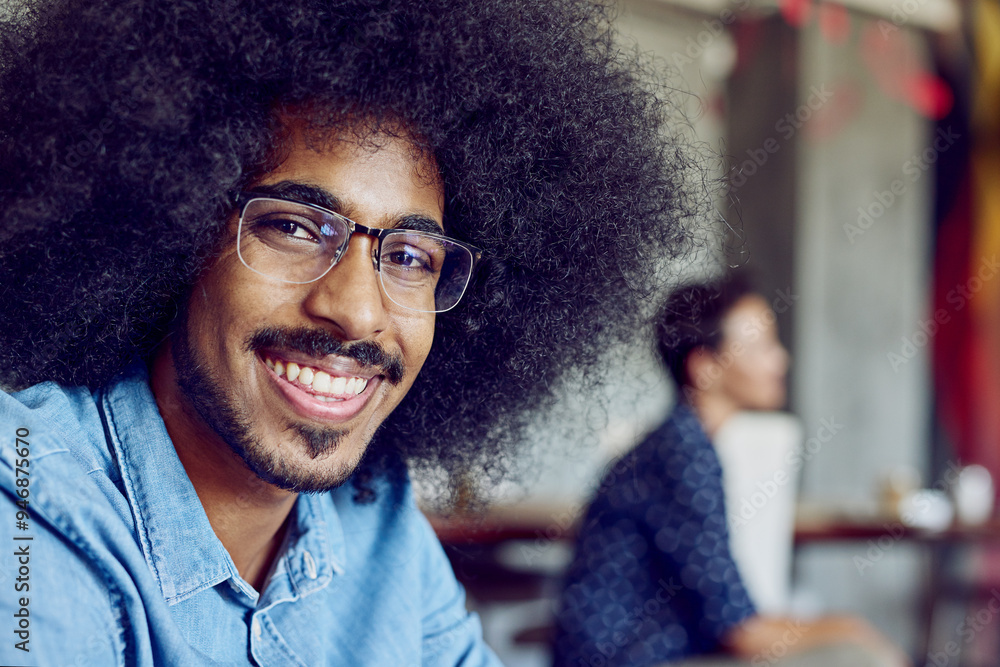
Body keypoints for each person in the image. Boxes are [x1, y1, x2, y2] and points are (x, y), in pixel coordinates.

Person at [0, 1, 698, 664]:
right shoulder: (30, 507)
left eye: (408, 256)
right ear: (166, 227)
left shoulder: (375, 514)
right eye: (296, 227)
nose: (358, 312)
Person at [552, 274, 909, 667]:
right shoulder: (681, 455)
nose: (781, 360)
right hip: (629, 661)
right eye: (761, 346)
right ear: (705, 368)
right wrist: (850, 629)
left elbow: (731, 617)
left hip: (658, 654)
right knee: (857, 658)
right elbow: (740, 632)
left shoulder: (682, 443)